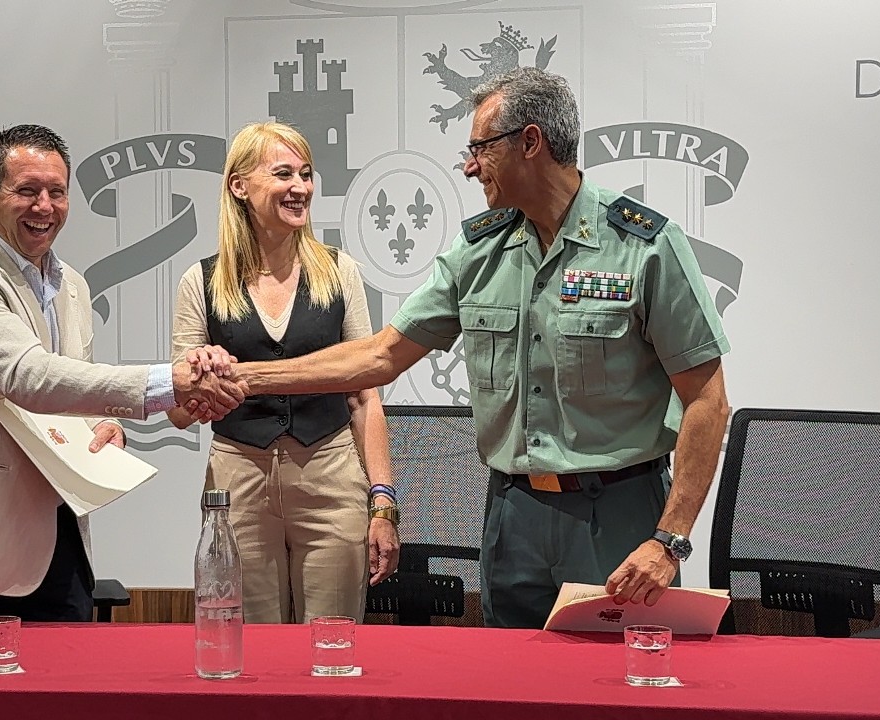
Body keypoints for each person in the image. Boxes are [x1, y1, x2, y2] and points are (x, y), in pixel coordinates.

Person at [231, 68, 731, 628]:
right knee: (508, 675)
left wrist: (669, 540)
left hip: (617, 516)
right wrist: (245, 379)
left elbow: (708, 401)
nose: (470, 166)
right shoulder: (479, 251)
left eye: (481, 148)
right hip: (513, 516)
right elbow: (382, 356)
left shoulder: (644, 247)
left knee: (620, 675)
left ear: (530, 142)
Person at [0, 124, 244, 622]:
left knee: (68, 673)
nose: (44, 207)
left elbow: (74, 384)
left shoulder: (70, 283)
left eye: (57, 192)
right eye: (27, 190)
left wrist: (103, 424)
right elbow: (31, 378)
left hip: (58, 539)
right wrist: (171, 383)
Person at [169, 121, 400, 623]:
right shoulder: (200, 281)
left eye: (306, 174)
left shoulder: (340, 272)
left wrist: (382, 502)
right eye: (283, 174)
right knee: (250, 645)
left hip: (331, 475)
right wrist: (201, 382)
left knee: (332, 642)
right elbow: (179, 414)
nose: (301, 187)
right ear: (239, 186)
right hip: (238, 478)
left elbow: (365, 397)